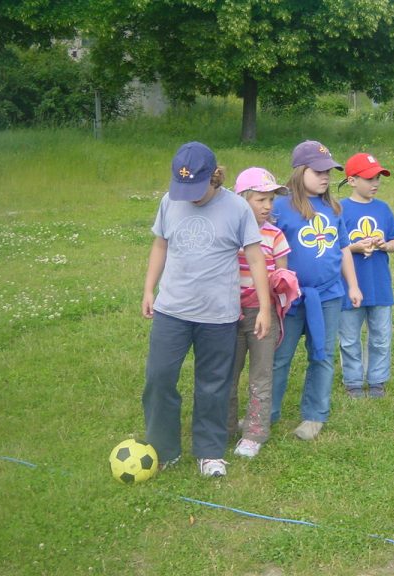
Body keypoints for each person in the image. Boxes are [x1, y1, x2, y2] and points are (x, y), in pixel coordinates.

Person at [141, 142, 271, 478]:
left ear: (215, 176)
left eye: (198, 188)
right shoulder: (170, 201)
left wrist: (266, 308)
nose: (192, 196)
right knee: (159, 377)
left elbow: (256, 258)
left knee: (213, 383)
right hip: (172, 311)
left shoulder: (238, 209)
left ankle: (210, 451)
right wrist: (148, 289)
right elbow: (160, 244)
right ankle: (163, 449)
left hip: (218, 316)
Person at [271, 140, 363, 440]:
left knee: (321, 355)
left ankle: (314, 416)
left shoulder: (333, 208)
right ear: (300, 171)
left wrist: (353, 285)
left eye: (329, 171)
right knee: (279, 357)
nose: (326, 177)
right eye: (319, 171)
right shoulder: (279, 207)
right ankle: (265, 412)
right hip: (291, 298)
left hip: (328, 296)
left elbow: (344, 249)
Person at [228, 167, 295, 459]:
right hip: (227, 314)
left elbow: (283, 272)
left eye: (271, 200)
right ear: (242, 199)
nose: (268, 206)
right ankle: (226, 426)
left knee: (261, 373)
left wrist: (282, 284)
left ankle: (255, 432)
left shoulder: (275, 235)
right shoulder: (228, 232)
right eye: (260, 200)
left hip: (262, 314)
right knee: (227, 373)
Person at [338, 153, 394, 399]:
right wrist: (355, 247)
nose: (375, 183)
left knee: (381, 338)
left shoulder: (383, 208)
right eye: (368, 179)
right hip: (350, 286)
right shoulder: (340, 209)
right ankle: (353, 382)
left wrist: (385, 245)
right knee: (349, 338)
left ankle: (377, 380)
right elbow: (335, 247)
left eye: (378, 178)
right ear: (352, 181)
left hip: (379, 286)